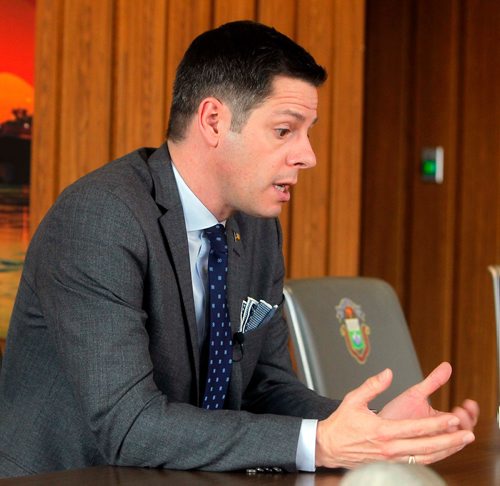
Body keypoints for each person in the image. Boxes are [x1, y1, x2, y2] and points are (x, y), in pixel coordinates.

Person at [0, 20, 478, 478]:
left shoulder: (258, 226)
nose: (307, 155)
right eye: (285, 130)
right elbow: (130, 426)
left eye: (308, 132)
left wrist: (374, 431)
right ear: (213, 120)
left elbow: (264, 387)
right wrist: (320, 443)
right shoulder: (101, 217)